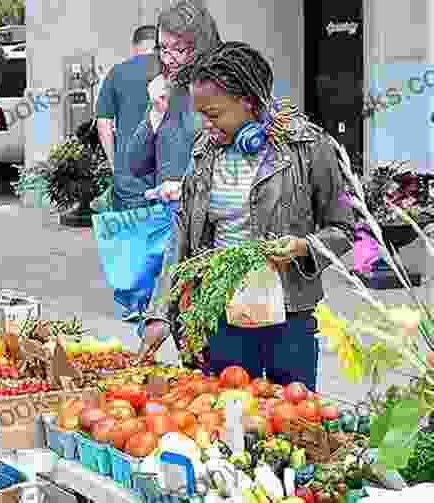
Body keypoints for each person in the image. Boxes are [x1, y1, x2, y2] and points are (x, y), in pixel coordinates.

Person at [139, 42, 355, 391]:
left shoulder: (310, 147)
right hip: (219, 319)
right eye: (201, 114)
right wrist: (160, 313)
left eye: (214, 114)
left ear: (249, 102)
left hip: (288, 321)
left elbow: (345, 228)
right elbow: (181, 237)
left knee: (292, 425)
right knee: (227, 425)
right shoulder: (204, 152)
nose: (205, 125)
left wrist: (303, 246)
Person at [128, 0, 223, 202]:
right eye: (163, 49)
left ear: (201, 46)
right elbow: (136, 166)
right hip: (170, 220)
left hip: (208, 221)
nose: (168, 59)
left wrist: (188, 190)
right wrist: (155, 114)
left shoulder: (224, 92)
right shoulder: (168, 90)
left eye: (178, 50)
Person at [96, 24, 161, 211]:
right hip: (168, 172)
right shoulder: (171, 71)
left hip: (130, 173)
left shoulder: (117, 73)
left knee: (130, 234)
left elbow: (103, 124)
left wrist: (114, 165)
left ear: (134, 46)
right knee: (167, 235)